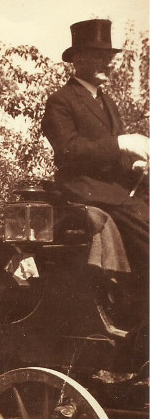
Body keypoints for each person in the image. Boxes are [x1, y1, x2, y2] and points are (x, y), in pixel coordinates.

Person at [41, 18, 149, 298]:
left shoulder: (107, 101)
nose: (108, 62)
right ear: (78, 59)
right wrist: (121, 144)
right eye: (99, 56)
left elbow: (112, 155)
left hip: (115, 190)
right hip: (86, 191)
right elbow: (68, 151)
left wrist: (136, 166)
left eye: (109, 56)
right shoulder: (61, 100)